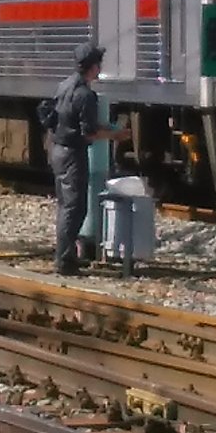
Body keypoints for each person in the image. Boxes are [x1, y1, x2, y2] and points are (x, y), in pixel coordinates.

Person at [44, 43, 128, 276]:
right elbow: (89, 132)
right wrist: (115, 134)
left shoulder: (64, 86)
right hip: (72, 154)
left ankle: (66, 255)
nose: (100, 68)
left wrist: (109, 129)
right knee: (75, 208)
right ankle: (64, 261)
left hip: (57, 150)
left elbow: (67, 120)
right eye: (99, 64)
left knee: (65, 206)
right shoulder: (85, 94)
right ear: (93, 66)